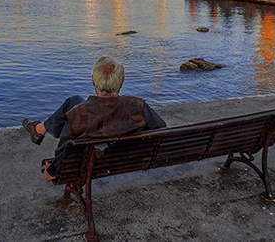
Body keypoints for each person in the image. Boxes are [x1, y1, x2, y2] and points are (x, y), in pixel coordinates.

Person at [22, 56, 167, 181]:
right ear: (122, 82)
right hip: (124, 161)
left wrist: (53, 171)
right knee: (74, 101)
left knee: (72, 106)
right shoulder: (138, 106)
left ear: (93, 81)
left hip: (88, 163)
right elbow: (160, 129)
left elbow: (65, 149)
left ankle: (39, 130)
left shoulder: (79, 114)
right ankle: (39, 129)